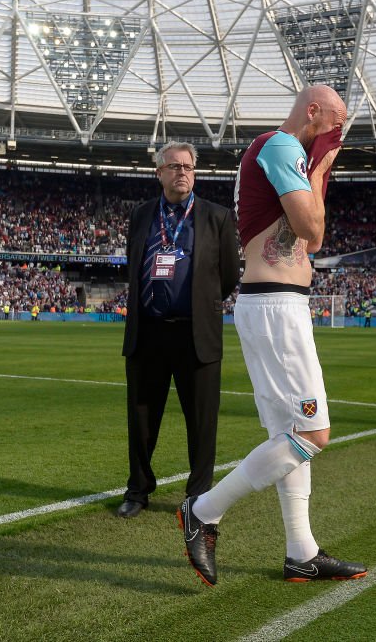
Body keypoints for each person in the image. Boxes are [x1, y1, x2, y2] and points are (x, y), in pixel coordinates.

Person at [176, 85, 366, 587]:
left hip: (274, 304)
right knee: (313, 433)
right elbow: (312, 228)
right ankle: (205, 510)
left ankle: (300, 551)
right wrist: (321, 167)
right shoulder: (282, 146)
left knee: (291, 434)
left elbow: (311, 231)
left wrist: (318, 169)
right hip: (276, 306)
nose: (339, 132)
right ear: (313, 111)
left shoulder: (279, 151)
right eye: (336, 120)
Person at [118, 141, 240, 520]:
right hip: (148, 333)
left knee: (202, 422)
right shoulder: (140, 216)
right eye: (173, 166)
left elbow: (229, 276)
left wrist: (197, 303)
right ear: (159, 173)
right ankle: (138, 490)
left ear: (195, 172)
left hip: (195, 335)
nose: (182, 173)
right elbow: (133, 266)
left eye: (188, 167)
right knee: (141, 420)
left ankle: (198, 496)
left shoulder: (216, 217)